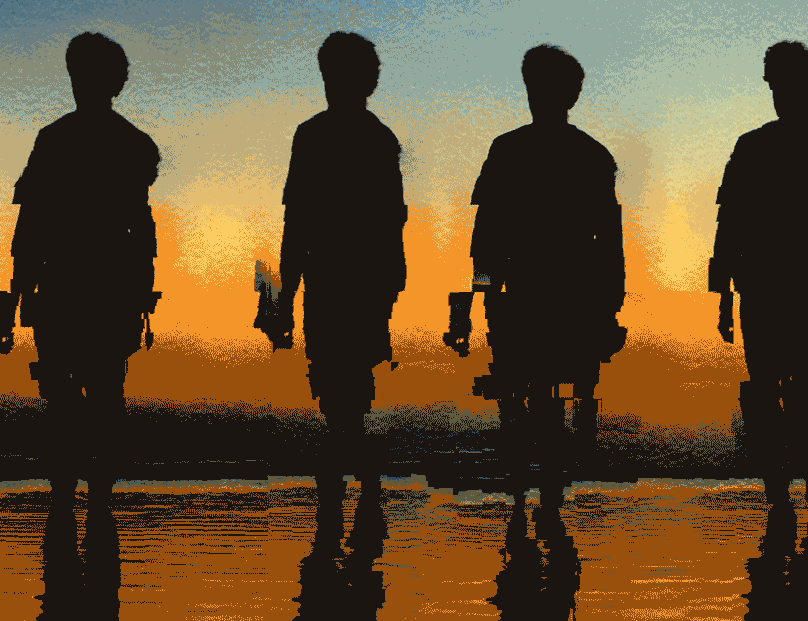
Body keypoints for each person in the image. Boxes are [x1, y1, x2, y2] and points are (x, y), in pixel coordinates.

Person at [445, 43, 626, 518]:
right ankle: (542, 503)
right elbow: (609, 242)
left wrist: (477, 297)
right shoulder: (588, 155)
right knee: (542, 406)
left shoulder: (510, 150)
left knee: (524, 405)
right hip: (553, 299)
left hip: (532, 298)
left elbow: (485, 240)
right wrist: (609, 306)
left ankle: (531, 506)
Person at [0, 32, 162, 498]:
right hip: (99, 294)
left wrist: (11, 306)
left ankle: (72, 510)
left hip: (71, 293)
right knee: (98, 401)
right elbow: (139, 231)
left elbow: (30, 231)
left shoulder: (56, 141)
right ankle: (89, 509)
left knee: (72, 405)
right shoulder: (132, 145)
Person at [709, 40, 808, 515]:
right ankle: (796, 490)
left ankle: (794, 490)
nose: (779, 93)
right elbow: (730, 222)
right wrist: (724, 292)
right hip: (778, 290)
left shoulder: (776, 149)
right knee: (786, 395)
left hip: (792, 292)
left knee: (789, 395)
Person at [266, 31, 407, 495]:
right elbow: (390, 223)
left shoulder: (315, 137)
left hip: (336, 282)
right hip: (358, 282)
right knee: (347, 392)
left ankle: (348, 490)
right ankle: (359, 490)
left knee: (338, 394)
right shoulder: (378, 140)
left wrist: (286, 295)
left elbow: (299, 221)